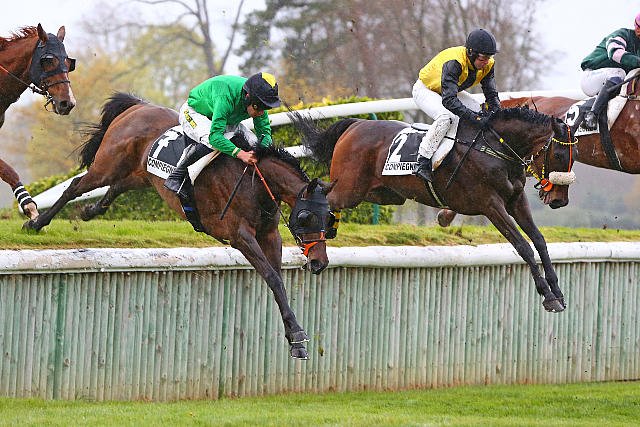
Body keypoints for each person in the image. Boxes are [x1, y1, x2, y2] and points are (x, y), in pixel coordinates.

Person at [164, 72, 281, 197]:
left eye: (266, 107)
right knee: (212, 141)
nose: (262, 113)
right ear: (247, 96)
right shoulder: (226, 97)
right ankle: (176, 176)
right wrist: (241, 154)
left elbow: (265, 135)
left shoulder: (258, 100)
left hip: (225, 118)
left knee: (254, 143)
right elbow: (215, 137)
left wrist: (260, 151)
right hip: (194, 113)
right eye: (259, 107)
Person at [412, 28, 500, 183]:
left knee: (478, 110)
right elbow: (449, 101)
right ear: (471, 53)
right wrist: (475, 118)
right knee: (446, 117)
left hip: (448, 90)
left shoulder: (488, 64)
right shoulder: (455, 62)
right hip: (426, 89)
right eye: (483, 58)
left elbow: (491, 95)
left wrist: (497, 115)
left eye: (489, 57)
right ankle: (422, 160)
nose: (486, 62)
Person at [580, 13, 640, 130]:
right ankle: (592, 115)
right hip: (591, 77)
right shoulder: (622, 34)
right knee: (619, 73)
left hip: (612, 81)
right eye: (639, 27)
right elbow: (614, 53)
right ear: (635, 25)